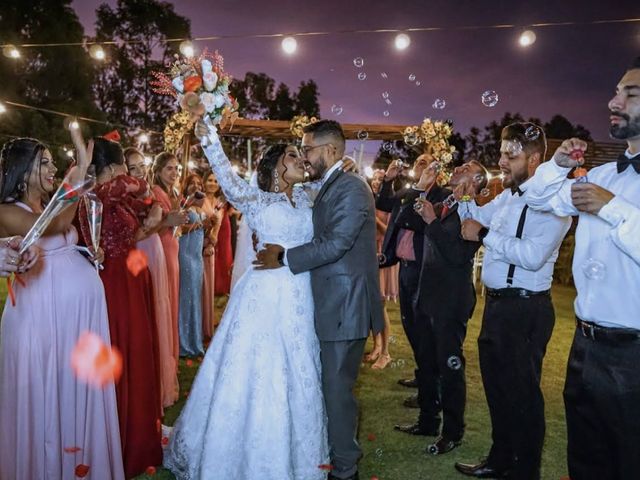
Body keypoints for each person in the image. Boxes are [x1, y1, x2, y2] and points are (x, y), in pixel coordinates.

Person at [164, 124, 328, 479]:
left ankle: (297, 458)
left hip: (300, 295)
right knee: (257, 370)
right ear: (273, 168)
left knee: (298, 369)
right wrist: (206, 129)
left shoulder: (309, 197)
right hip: (263, 296)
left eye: (301, 155)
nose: (301, 159)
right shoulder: (254, 198)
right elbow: (222, 168)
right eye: (292, 156)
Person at [525, 57, 640, 479]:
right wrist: (555, 166)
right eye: (616, 90)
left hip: (635, 357)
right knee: (586, 462)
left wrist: (614, 209)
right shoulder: (604, 174)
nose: (614, 100)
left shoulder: (608, 192)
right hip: (585, 348)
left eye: (631, 93)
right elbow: (538, 201)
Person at [256, 120, 385, 480]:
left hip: (345, 306)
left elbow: (335, 244)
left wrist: (283, 257)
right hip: (330, 304)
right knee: (331, 389)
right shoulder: (331, 185)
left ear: (330, 151)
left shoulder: (352, 189)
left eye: (309, 149)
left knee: (337, 392)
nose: (305, 157)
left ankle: (345, 470)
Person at [0, 135, 124, 479]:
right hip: (42, 320)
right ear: (22, 172)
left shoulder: (46, 204)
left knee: (71, 391)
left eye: (53, 162)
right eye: (44, 162)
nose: (53, 168)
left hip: (73, 322)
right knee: (48, 396)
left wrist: (86, 252)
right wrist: (80, 178)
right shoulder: (8, 211)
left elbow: (62, 240)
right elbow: (55, 227)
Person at [454, 123, 572, 480]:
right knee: (496, 389)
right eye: (502, 153)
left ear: (535, 160)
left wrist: (486, 234)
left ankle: (526, 470)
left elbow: (534, 255)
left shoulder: (554, 202)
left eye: (511, 155)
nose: (502, 160)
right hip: (498, 307)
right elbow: (473, 223)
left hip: (526, 309)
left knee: (523, 395)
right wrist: (464, 199)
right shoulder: (507, 197)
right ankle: (500, 458)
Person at [85, 137, 162, 478]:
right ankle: (118, 440)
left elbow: (145, 206)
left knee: (136, 356)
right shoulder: (97, 196)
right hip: (115, 289)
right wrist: (130, 178)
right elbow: (140, 184)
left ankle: (136, 437)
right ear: (115, 167)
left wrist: (156, 214)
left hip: (132, 284)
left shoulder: (117, 200)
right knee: (122, 354)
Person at [412, 160, 488, 455]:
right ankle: (427, 420)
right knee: (427, 363)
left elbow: (458, 255)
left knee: (449, 368)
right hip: (428, 295)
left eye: (467, 167)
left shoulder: (476, 212)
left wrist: (431, 222)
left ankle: (452, 432)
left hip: (451, 301)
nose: (459, 167)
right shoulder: (447, 199)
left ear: (477, 181)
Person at [377, 153, 449, 405]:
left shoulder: (441, 196)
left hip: (424, 270)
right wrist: (388, 179)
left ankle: (431, 390)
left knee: (425, 330)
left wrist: (417, 192)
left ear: (436, 170)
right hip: (405, 268)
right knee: (411, 327)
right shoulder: (409, 193)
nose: (421, 164)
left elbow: (411, 220)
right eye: (419, 161)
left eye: (427, 162)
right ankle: (423, 377)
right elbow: (385, 203)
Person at [125, 147, 180, 408]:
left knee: (160, 307)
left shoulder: (147, 191)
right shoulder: (124, 196)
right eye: (132, 168)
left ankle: (160, 377)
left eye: (140, 166)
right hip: (140, 252)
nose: (138, 172)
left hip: (154, 249)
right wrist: (163, 219)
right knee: (147, 311)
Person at [151, 152, 184, 364]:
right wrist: (169, 220)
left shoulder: (174, 192)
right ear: (158, 171)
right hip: (161, 248)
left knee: (172, 297)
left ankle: (171, 352)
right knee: (164, 298)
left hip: (173, 248)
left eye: (177, 168)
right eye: (169, 168)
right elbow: (154, 224)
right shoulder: (155, 192)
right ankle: (163, 354)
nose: (174, 172)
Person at [366, 170, 395, 370]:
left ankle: (386, 352)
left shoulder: (390, 203)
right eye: (374, 178)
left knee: (380, 305)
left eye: (380, 179)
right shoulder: (369, 201)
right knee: (371, 306)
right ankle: (376, 346)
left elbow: (391, 232)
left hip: (384, 256)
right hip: (369, 255)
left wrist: (374, 220)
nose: (376, 182)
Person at [177, 173, 206, 357]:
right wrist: (201, 225)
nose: (195, 186)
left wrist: (207, 226)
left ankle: (195, 341)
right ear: (185, 186)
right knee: (186, 298)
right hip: (186, 255)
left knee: (195, 297)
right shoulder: (183, 204)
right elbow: (179, 229)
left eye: (198, 183)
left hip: (198, 256)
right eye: (191, 184)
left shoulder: (200, 205)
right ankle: (184, 343)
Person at [201, 170, 223, 338]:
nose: (212, 183)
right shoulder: (199, 199)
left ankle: (206, 326)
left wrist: (213, 238)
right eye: (209, 180)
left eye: (215, 181)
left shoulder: (218, 202)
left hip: (210, 245)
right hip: (198, 244)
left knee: (208, 283)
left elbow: (217, 224)